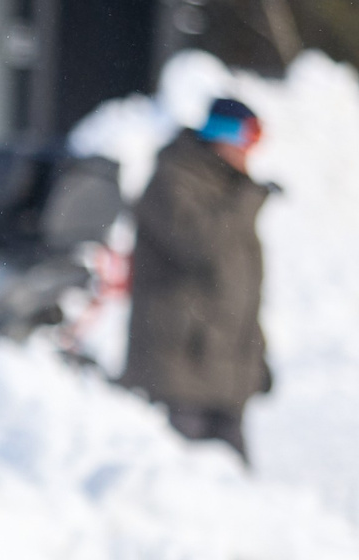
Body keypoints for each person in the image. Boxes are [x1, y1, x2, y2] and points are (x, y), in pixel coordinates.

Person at [125, 95, 271, 461]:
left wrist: (257, 358)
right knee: (184, 494)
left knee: (236, 498)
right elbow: (199, 247)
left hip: (222, 375)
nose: (250, 152)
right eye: (248, 139)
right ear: (224, 136)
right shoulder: (174, 178)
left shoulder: (230, 190)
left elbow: (240, 290)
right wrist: (247, 202)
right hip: (180, 372)